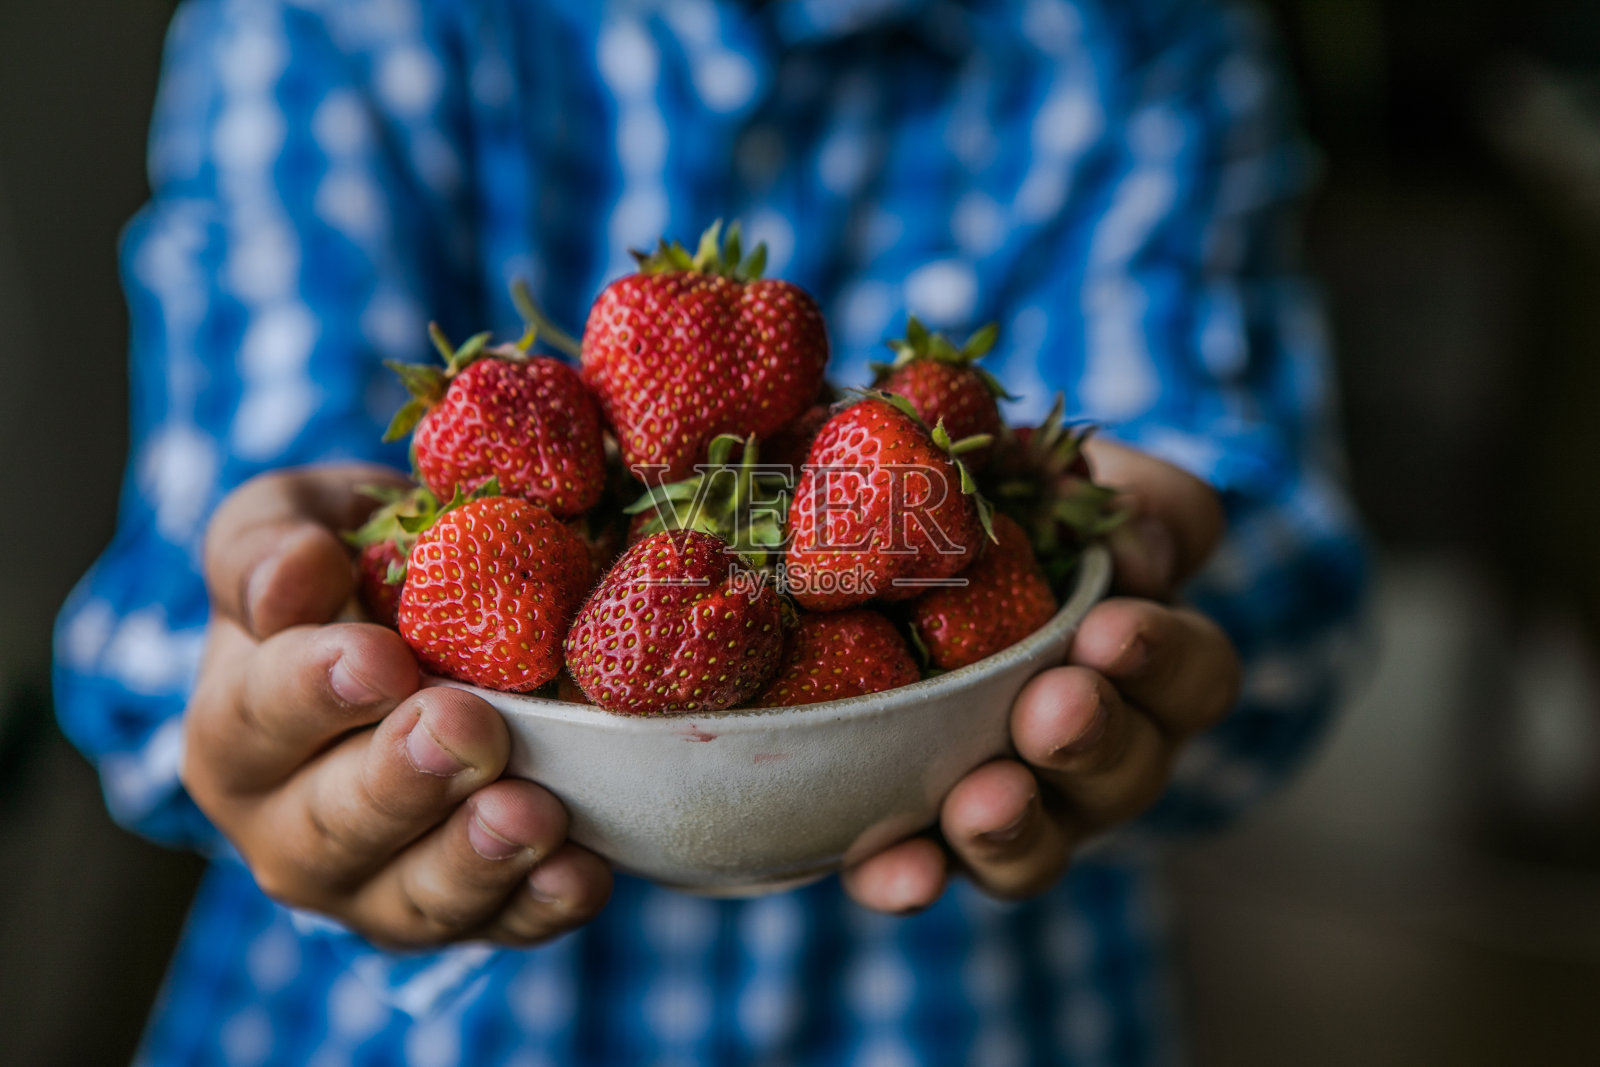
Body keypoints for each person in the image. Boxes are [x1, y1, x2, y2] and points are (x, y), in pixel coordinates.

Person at [53, 0, 1367, 1063]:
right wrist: (260, 695)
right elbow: (164, 625)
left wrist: (1182, 566)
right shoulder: (337, 19)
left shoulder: (1140, 36)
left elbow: (1290, 607)